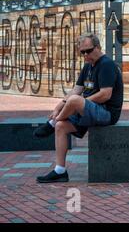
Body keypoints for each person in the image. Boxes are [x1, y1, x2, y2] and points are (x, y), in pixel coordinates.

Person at [33, 33, 124, 183]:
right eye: (82, 52)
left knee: (74, 101)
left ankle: (52, 123)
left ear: (98, 47)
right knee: (61, 126)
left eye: (88, 51)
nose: (85, 55)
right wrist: (58, 107)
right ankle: (60, 171)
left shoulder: (107, 64)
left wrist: (81, 103)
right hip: (88, 111)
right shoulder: (88, 66)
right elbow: (75, 91)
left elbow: (106, 95)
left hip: (106, 113)